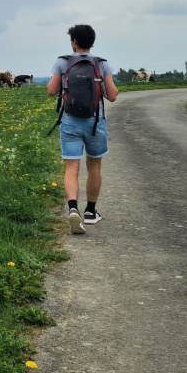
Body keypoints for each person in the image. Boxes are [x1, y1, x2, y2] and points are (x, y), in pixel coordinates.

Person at [47, 24, 119, 234]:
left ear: (74, 42)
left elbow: (52, 91)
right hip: (95, 122)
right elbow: (112, 96)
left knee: (71, 167)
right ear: (92, 43)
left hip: (70, 121)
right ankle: (90, 212)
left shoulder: (62, 62)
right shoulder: (102, 64)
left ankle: (72, 208)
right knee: (94, 166)